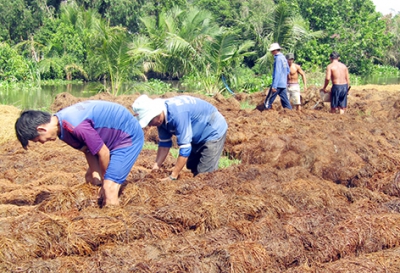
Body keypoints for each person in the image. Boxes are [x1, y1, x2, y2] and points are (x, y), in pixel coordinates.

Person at [14, 100, 144, 206]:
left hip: (127, 136)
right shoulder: (62, 131)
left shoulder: (75, 125)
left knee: (109, 188)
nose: (42, 143)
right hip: (108, 140)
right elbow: (88, 150)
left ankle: (115, 225)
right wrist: (95, 176)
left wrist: (104, 181)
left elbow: (103, 153)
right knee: (90, 179)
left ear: (41, 129)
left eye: (38, 140)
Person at [132, 95, 228, 180]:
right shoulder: (160, 119)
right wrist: (156, 167)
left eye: (150, 121)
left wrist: (173, 176)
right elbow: (164, 144)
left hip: (213, 130)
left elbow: (185, 149)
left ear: (156, 112)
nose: (150, 125)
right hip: (197, 132)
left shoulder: (177, 114)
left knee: (204, 175)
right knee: (192, 166)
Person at [264, 43, 292, 110]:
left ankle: (265, 113)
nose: (271, 52)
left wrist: (274, 86)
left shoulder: (278, 59)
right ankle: (290, 112)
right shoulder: (284, 58)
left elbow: (277, 72)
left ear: (275, 50)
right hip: (283, 84)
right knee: (285, 102)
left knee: (268, 101)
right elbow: (288, 71)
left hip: (278, 84)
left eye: (272, 51)